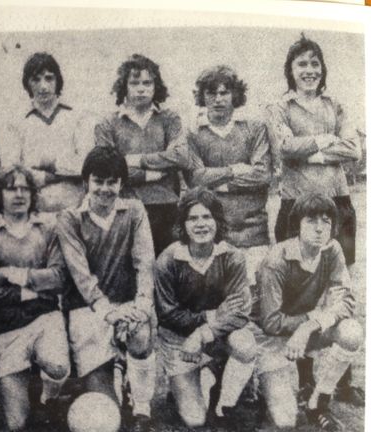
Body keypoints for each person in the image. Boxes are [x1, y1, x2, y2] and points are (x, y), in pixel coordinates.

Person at [267, 35, 363, 407]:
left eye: (314, 64)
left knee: (340, 288)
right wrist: (326, 143)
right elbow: (284, 148)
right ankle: (306, 379)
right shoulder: (278, 107)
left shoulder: (336, 105)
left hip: (338, 204)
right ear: (290, 71)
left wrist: (312, 148)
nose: (309, 70)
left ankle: (342, 380)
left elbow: (354, 149)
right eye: (301, 64)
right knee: (299, 291)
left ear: (322, 69)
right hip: (295, 207)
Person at [56, 146, 157, 432]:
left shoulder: (135, 210)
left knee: (141, 332)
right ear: (86, 182)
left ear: (121, 183)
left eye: (111, 182)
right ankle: (114, 371)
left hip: (127, 303)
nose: (104, 189)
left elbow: (144, 262)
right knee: (104, 412)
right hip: (89, 310)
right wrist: (106, 311)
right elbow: (81, 276)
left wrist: (142, 304)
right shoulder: (70, 218)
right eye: (98, 181)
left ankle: (142, 409)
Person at [250, 193, 361, 430]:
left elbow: (347, 299)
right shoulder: (276, 260)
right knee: (285, 420)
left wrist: (309, 325)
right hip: (268, 338)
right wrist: (308, 322)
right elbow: (270, 322)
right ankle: (257, 382)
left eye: (326, 221)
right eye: (311, 221)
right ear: (296, 225)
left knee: (351, 332)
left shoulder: (332, 250)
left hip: (302, 331)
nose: (320, 228)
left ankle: (317, 400)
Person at [153, 187, 254, 427]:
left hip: (217, 335)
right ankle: (188, 382)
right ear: (183, 224)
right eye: (193, 218)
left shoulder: (233, 257)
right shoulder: (167, 260)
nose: (200, 224)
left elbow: (240, 312)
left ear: (217, 221)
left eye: (207, 217)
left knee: (246, 343)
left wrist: (202, 333)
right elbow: (167, 314)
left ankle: (224, 400)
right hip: (179, 340)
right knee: (195, 419)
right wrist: (212, 315)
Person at [0, 166, 70, 431]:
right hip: (6, 327)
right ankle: (26, 380)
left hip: (45, 317)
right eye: (11, 188)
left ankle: (48, 398)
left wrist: (10, 274)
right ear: (0, 194)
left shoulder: (48, 228)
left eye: (25, 188)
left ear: (33, 194)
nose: (19, 195)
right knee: (16, 424)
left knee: (57, 365)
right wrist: (31, 290)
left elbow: (58, 278)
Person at [94, 54, 193, 256]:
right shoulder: (108, 123)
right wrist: (151, 174)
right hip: (124, 207)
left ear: (156, 86)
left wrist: (136, 160)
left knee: (165, 268)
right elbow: (108, 170)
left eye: (147, 83)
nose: (141, 88)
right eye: (134, 83)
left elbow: (181, 156)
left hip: (166, 208)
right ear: (124, 86)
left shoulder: (169, 119)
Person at [186, 65, 272, 279]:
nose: (218, 99)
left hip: (254, 231)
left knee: (255, 297)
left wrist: (219, 182)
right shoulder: (193, 135)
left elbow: (262, 175)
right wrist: (234, 170)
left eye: (224, 92)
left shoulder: (254, 128)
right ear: (202, 97)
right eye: (211, 93)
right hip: (214, 233)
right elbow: (196, 178)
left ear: (235, 94)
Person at [2, 52, 96, 212]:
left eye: (49, 78)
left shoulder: (78, 117)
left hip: (74, 207)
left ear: (58, 80)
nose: (43, 86)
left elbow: (87, 164)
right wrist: (63, 169)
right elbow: (11, 168)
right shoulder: (16, 123)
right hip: (34, 210)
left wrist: (46, 170)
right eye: (36, 79)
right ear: (27, 84)